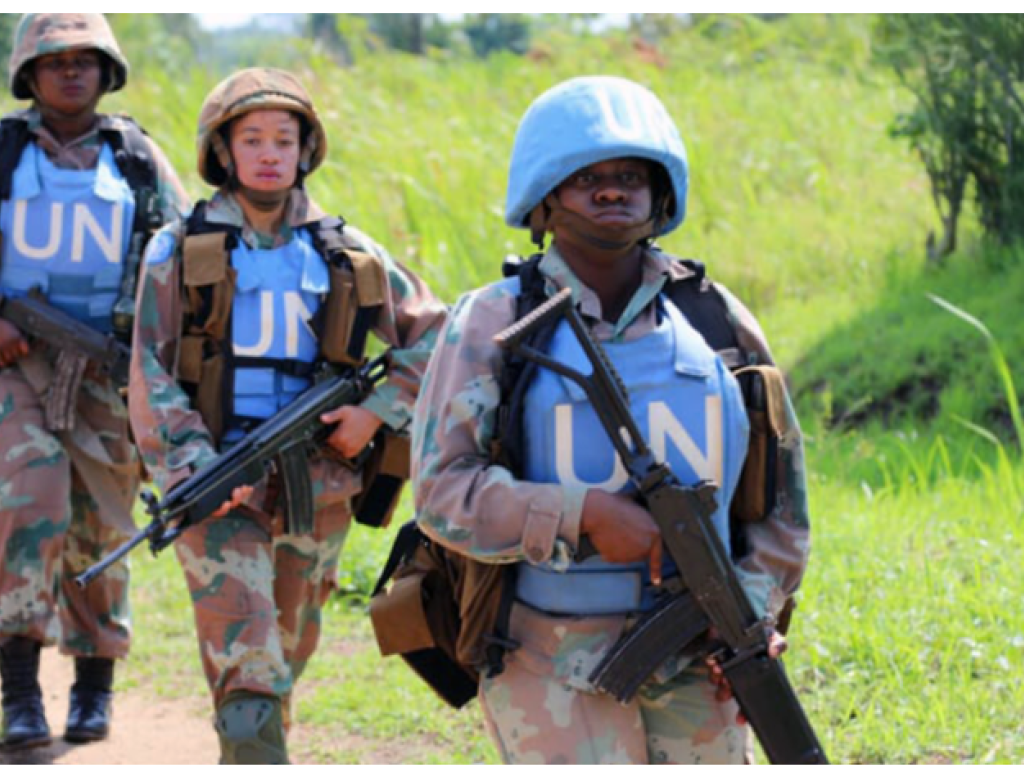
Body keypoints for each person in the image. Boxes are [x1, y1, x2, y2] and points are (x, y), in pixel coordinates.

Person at [411, 75, 810, 764]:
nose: (610, 190)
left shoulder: (713, 319)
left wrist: (750, 608)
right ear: (543, 199)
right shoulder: (494, 322)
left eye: (630, 174)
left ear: (660, 194)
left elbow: (781, 499)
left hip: (699, 647)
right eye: (584, 176)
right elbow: (443, 495)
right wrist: (582, 514)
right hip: (548, 655)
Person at [128, 67, 446, 764]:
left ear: (306, 149)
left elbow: (437, 337)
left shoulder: (348, 251)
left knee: (289, 648)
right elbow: (149, 371)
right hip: (218, 485)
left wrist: (377, 411)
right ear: (223, 152)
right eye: (251, 139)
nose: (269, 152)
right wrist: (195, 467)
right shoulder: (177, 249)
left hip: (319, 486)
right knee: (248, 659)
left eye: (284, 138)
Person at [0, 13, 188, 749]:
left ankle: (93, 687)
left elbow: (182, 253)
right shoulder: (5, 150)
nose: (70, 73)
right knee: (29, 499)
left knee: (102, 525)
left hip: (109, 368)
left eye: (85, 60)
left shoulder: (136, 157)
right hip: (18, 364)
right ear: (29, 75)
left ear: (107, 71)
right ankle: (19, 691)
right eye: (55, 62)